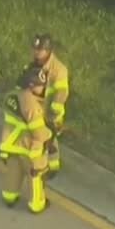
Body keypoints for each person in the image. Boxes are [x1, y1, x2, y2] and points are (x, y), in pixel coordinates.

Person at [0, 63, 53, 214]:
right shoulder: (32, 105)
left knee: (13, 173)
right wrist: (50, 134)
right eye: (40, 85)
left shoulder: (12, 95)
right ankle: (36, 205)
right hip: (28, 149)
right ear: (31, 86)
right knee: (35, 176)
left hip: (10, 144)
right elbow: (38, 132)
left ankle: (9, 197)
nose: (42, 88)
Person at [30, 33, 71, 177]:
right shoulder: (34, 63)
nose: (36, 52)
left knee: (50, 140)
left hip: (51, 112)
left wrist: (54, 112)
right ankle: (39, 162)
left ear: (48, 51)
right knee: (39, 137)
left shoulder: (59, 69)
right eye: (35, 49)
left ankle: (53, 167)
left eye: (39, 50)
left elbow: (62, 92)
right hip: (37, 109)